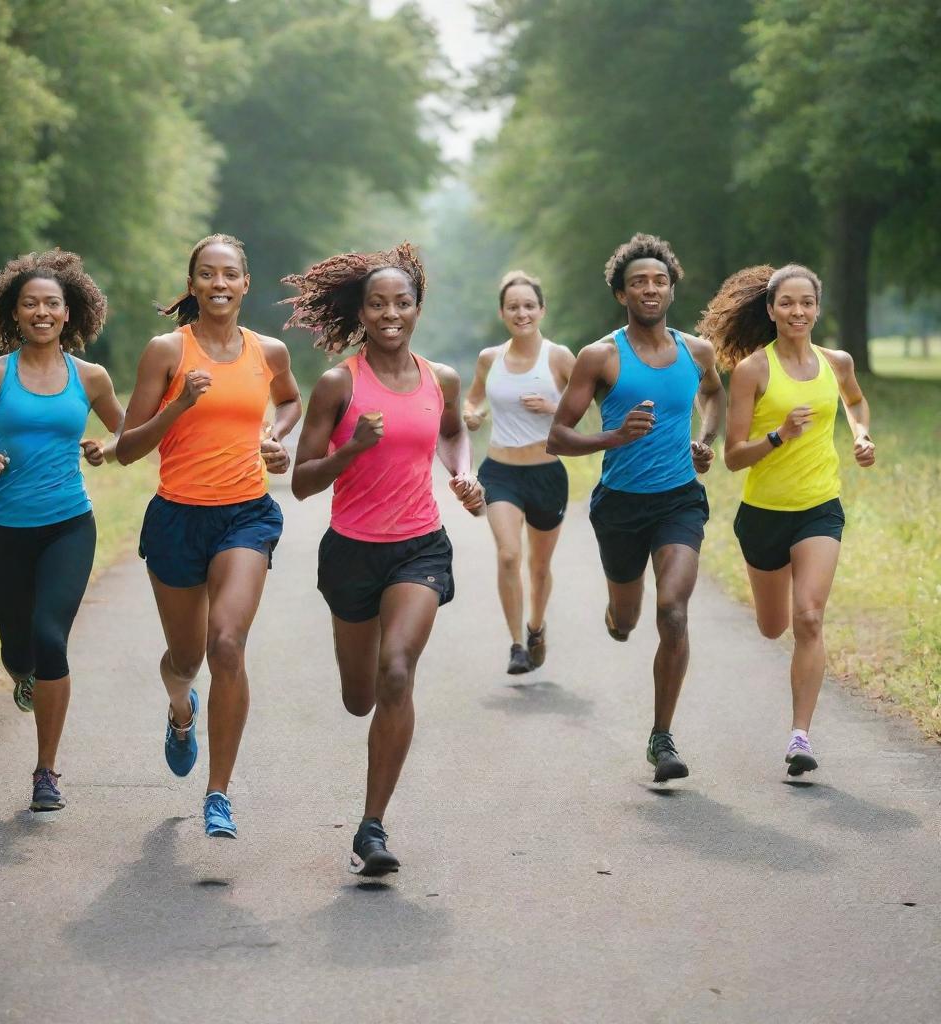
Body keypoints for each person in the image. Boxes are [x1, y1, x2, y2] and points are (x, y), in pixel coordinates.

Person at [285, 242, 484, 876]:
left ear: (418, 308)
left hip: (420, 547)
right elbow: (303, 481)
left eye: (402, 302)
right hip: (351, 551)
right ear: (361, 312)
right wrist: (353, 450)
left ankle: (371, 826)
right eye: (378, 304)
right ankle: (363, 689)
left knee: (397, 670)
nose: (390, 313)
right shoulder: (339, 385)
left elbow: (452, 432)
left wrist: (462, 472)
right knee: (359, 695)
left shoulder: (441, 379)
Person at [116, 233, 302, 838]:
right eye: (207, 274)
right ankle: (179, 709)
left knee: (226, 645)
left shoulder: (268, 351)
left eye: (230, 275)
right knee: (187, 658)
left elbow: (291, 401)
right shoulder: (167, 351)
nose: (219, 284)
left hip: (246, 513)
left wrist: (276, 436)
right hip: (178, 517)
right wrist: (178, 407)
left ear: (247, 284)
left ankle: (218, 793)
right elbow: (126, 448)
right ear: (193, 284)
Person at [547, 233, 724, 782]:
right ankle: (616, 613)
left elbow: (714, 395)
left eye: (659, 281)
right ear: (622, 295)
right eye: (638, 283)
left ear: (672, 288)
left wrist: (706, 439)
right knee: (627, 620)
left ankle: (662, 737)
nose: (650, 289)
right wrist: (614, 438)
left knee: (672, 610)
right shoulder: (599, 356)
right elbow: (557, 437)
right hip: (619, 505)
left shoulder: (697, 351)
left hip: (679, 500)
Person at [0, 249, 123, 812]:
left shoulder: (91, 378)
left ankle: (46, 772)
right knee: (17, 649)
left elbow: (130, 435)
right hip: (3, 529)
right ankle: (23, 673)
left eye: (52, 303)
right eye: (31, 303)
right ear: (15, 312)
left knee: (51, 639)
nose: (42, 312)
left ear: (69, 313)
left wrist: (107, 447)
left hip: (68, 525)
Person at [698, 264, 874, 776]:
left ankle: (800, 736)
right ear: (771, 310)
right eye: (787, 303)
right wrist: (778, 436)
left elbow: (856, 402)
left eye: (807, 302)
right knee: (773, 627)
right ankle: (781, 640)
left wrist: (860, 435)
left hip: (819, 508)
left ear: (818, 308)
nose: (798, 312)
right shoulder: (753, 370)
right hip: (763, 516)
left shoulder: (836, 362)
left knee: (810, 618)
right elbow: (733, 457)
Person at [463, 271, 575, 674]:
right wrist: (472, 415)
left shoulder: (559, 357)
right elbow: (472, 400)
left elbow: (585, 410)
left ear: (541, 309)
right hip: (501, 472)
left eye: (529, 305)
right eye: (514, 306)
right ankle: (516, 646)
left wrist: (553, 410)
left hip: (546, 474)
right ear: (502, 313)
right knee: (509, 555)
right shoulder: (489, 359)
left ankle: (536, 626)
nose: (522, 312)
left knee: (539, 567)